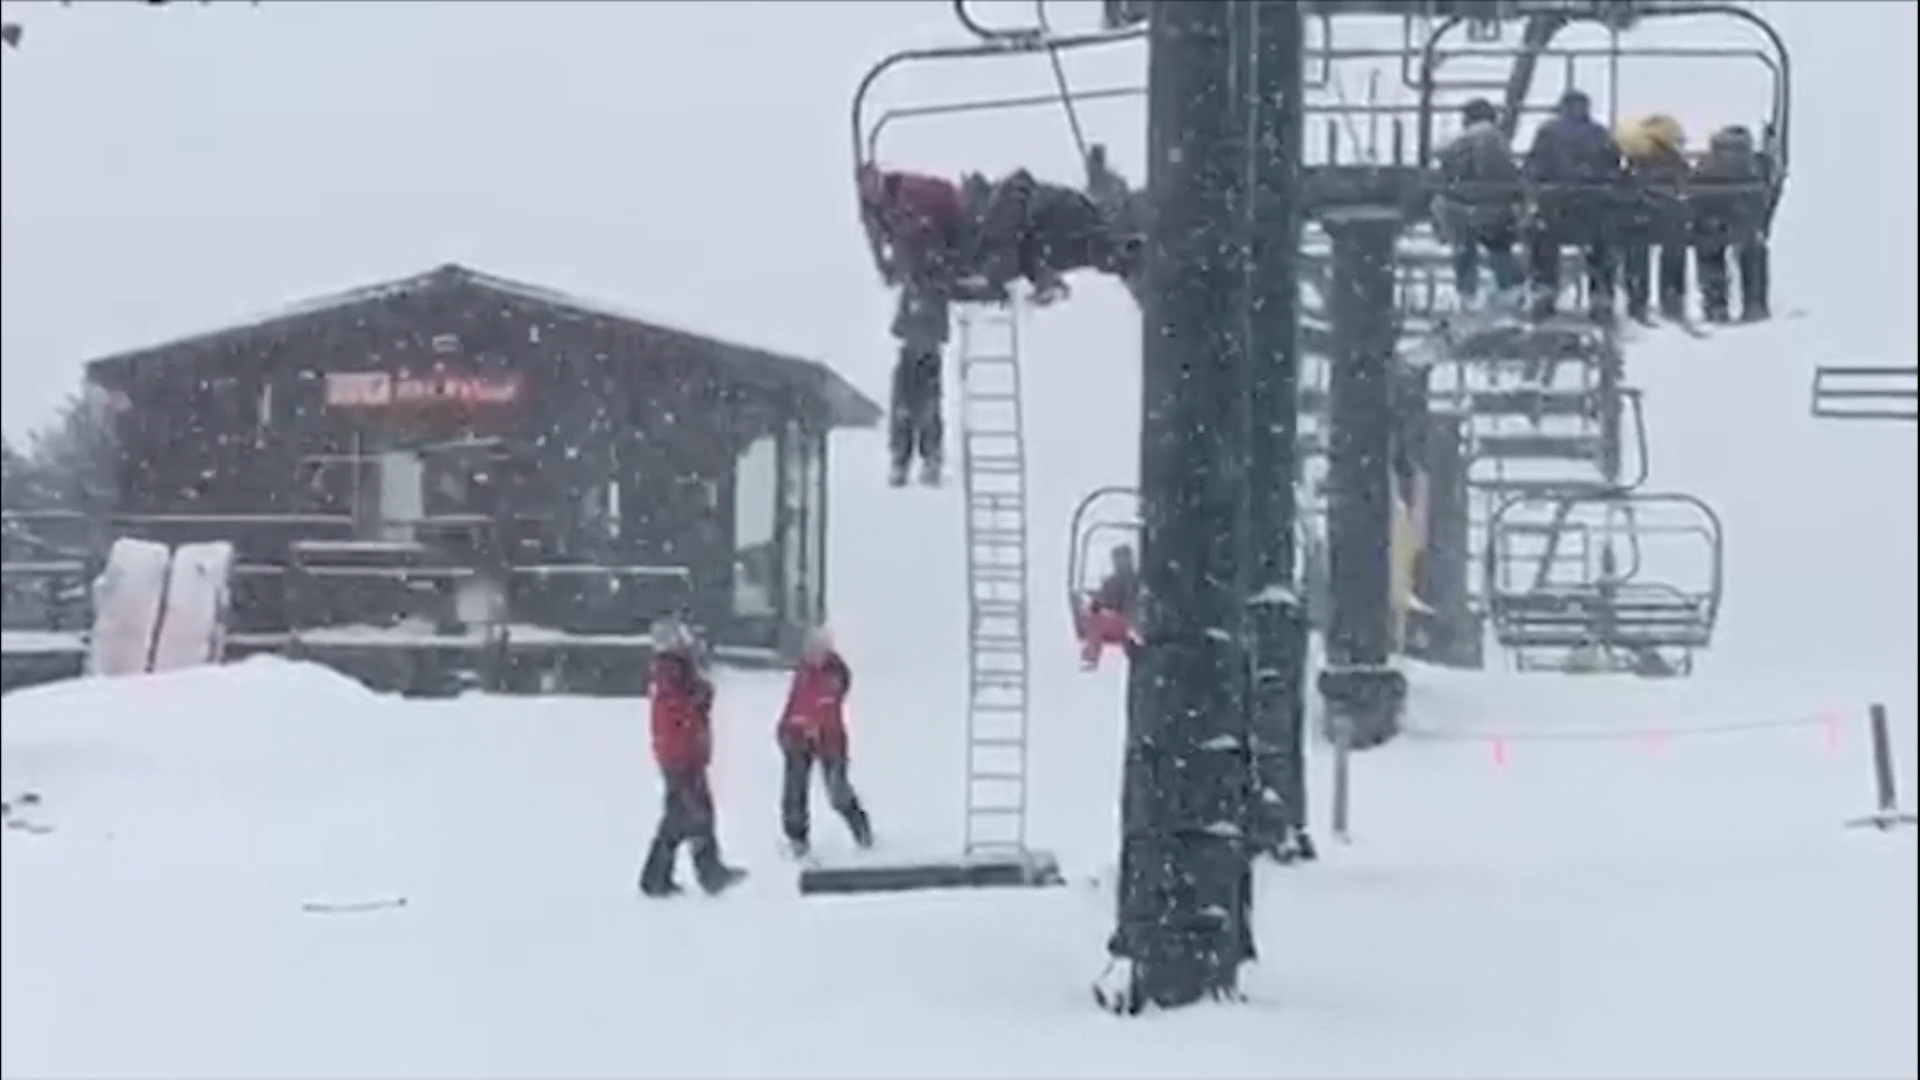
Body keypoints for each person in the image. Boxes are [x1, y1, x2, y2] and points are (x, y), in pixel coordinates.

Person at [639, 617, 747, 898]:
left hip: (685, 753)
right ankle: (665, 877)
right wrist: (698, 699)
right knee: (685, 814)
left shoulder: (677, 671)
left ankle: (700, 872)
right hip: (680, 755)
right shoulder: (671, 672)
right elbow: (677, 711)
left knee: (693, 812)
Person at [1523, 89, 1625, 320]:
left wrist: (1535, 194)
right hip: (1593, 212)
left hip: (1555, 211)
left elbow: (1533, 169)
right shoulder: (1600, 134)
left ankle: (1544, 289)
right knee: (1605, 239)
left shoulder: (1548, 132)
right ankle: (1602, 294)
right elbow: (1615, 171)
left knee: (1539, 234)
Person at [774, 626, 873, 859]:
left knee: (838, 792)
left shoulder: (834, 673)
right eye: (809, 648)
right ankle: (797, 839)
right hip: (799, 737)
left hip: (830, 740)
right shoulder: (804, 672)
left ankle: (861, 830)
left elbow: (826, 705)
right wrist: (786, 727)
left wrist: (810, 724)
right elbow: (795, 703)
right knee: (794, 791)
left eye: (817, 648)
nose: (812, 653)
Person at [1434, 98, 1526, 310]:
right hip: (1498, 208)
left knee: (1463, 243)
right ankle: (1511, 287)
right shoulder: (1498, 139)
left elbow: (1441, 152)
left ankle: (1467, 292)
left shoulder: (1474, 135)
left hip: (1468, 209)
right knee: (1498, 248)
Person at [1690, 124, 1772, 323]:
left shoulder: (1706, 166)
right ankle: (1754, 303)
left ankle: (1715, 303)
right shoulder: (1756, 165)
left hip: (1712, 223)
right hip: (1745, 223)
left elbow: (1694, 195)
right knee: (1753, 251)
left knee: (1709, 250)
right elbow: (1768, 189)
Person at [1615, 113, 1692, 323]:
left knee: (1636, 250)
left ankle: (1637, 299)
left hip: (1638, 214)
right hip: (1669, 216)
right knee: (1673, 250)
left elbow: (1624, 183)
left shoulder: (1636, 157)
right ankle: (1672, 297)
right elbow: (1684, 184)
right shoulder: (1674, 159)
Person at [1078, 544, 1140, 671]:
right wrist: (1095, 603)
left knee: (1096, 623)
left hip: (1130, 619)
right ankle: (1091, 656)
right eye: (1118, 560)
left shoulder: (1137, 581)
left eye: (1124, 560)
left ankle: (1091, 657)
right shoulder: (1111, 582)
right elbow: (1103, 600)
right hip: (1118, 620)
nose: (1121, 564)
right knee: (1094, 621)